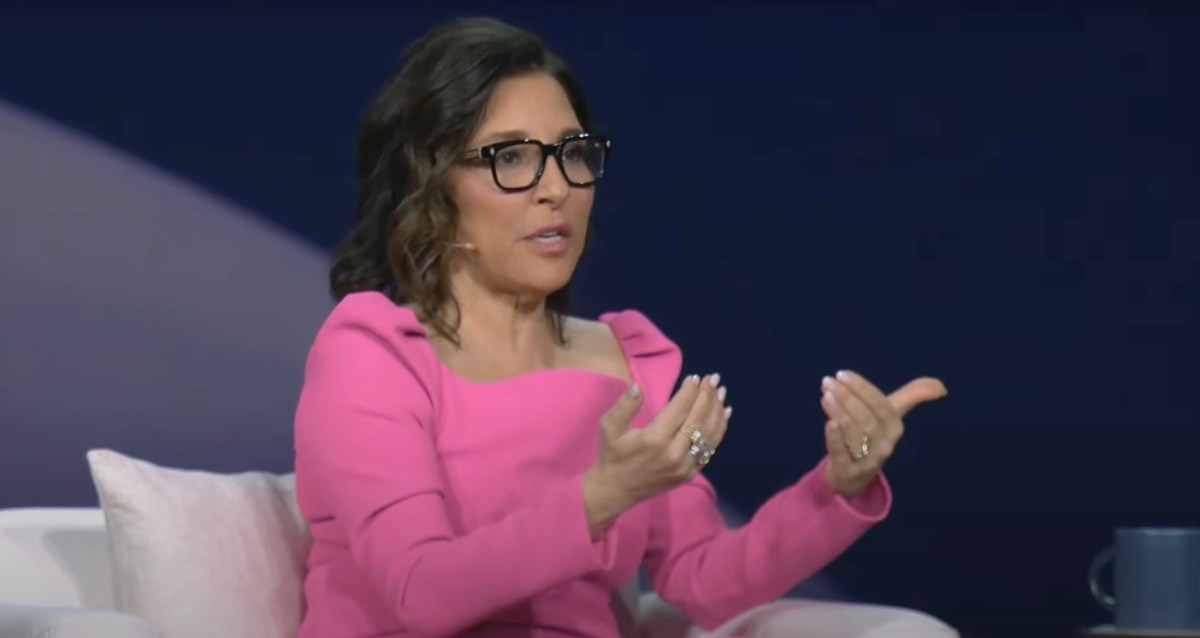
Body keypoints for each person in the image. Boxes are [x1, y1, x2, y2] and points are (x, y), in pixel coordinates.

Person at [292, 16, 957, 638]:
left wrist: (838, 484)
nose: (556, 188)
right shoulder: (376, 355)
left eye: (572, 153)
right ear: (431, 184)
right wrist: (602, 496)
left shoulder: (628, 360)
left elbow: (701, 580)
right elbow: (421, 589)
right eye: (511, 157)